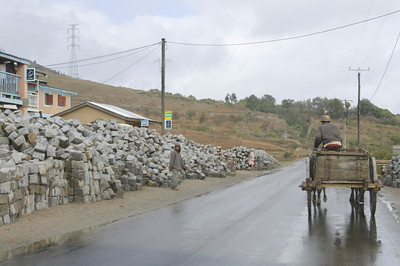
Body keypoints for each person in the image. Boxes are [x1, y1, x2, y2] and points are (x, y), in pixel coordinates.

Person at [310, 115, 342, 180]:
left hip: (328, 145)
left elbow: (318, 138)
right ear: (329, 121)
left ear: (322, 122)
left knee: (313, 159)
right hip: (338, 144)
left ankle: (312, 178)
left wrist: (315, 146)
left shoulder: (321, 127)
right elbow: (339, 137)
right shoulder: (335, 126)